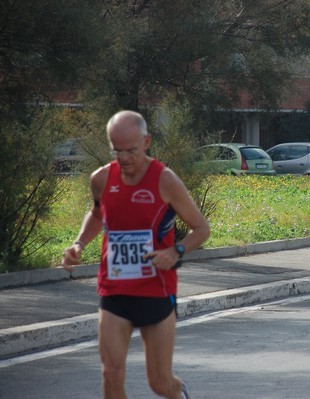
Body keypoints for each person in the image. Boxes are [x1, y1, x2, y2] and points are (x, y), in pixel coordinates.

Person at [62, 110, 210, 399]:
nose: (125, 157)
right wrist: (79, 244)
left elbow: (202, 229)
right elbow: (96, 215)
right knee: (111, 375)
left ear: (146, 142)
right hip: (114, 288)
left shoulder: (165, 180)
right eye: (117, 150)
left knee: (160, 383)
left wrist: (176, 250)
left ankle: (180, 394)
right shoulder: (101, 179)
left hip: (156, 288)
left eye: (131, 150)